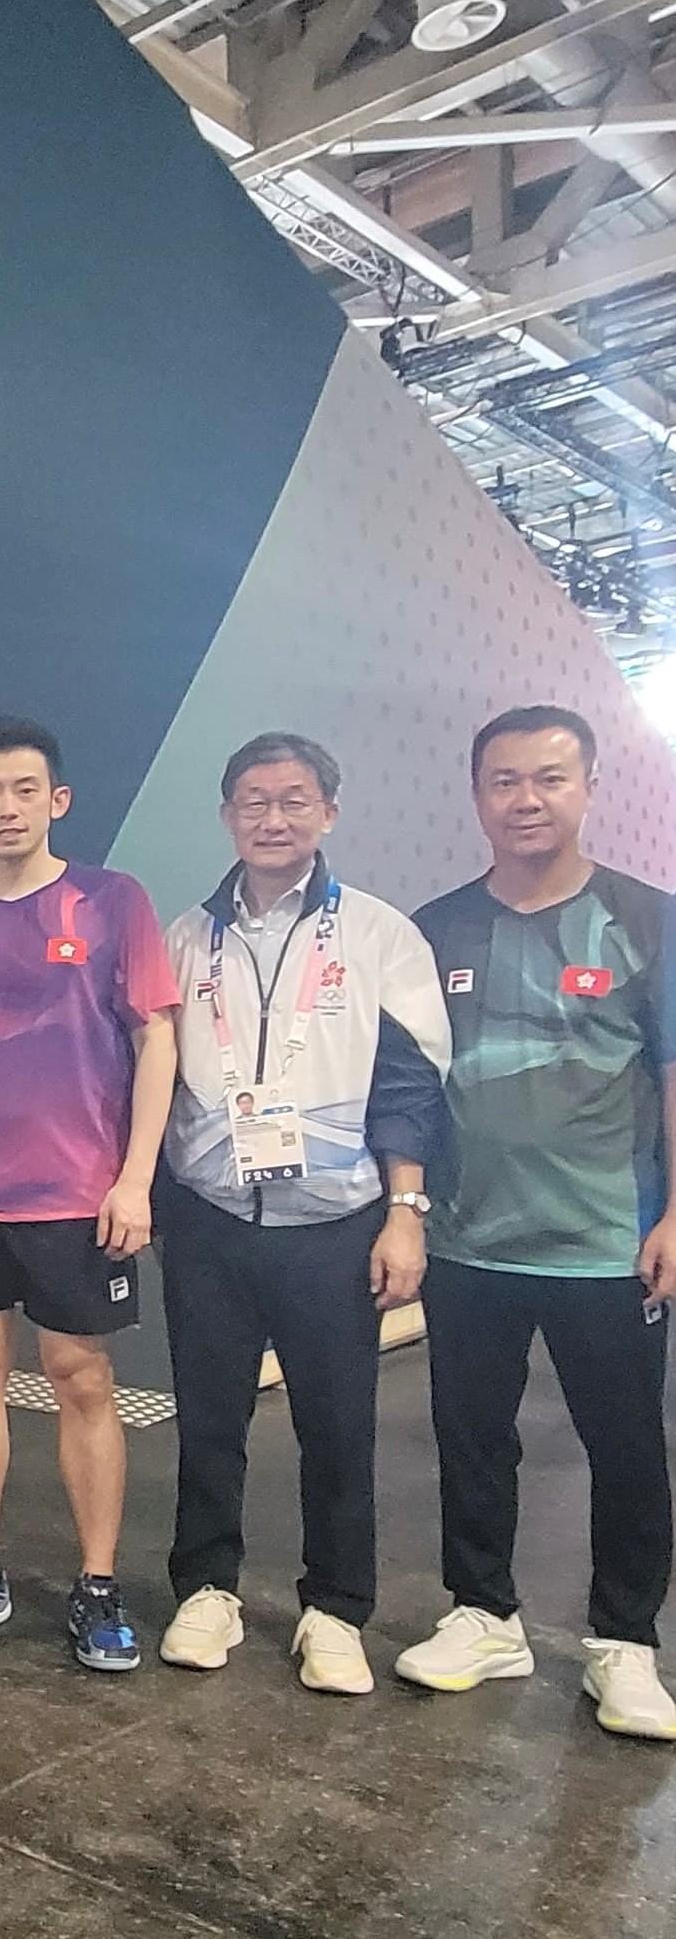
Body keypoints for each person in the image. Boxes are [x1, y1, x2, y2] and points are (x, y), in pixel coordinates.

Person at [396, 706, 676, 1742]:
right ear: (477, 797)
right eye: (505, 781)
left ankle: (625, 1643)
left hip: (610, 1241)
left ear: (588, 787)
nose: (526, 799)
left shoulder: (649, 919)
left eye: (548, 779)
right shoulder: (438, 927)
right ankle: (483, 1614)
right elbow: (412, 1086)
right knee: (472, 1439)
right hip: (470, 1240)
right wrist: (411, 1211)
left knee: (629, 1447)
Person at [157, 734, 448, 1695]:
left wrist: (404, 1213)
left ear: (327, 811)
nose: (271, 819)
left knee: (336, 1423)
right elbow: (153, 1079)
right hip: (208, 1220)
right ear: (227, 815)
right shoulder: (184, 939)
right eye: (251, 801)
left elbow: (409, 1085)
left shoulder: (377, 935)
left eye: (291, 801)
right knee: (207, 1416)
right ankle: (206, 1587)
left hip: (335, 1225)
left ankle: (335, 1610)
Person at [0, 718, 176, 1668]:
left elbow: (155, 1040)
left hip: (77, 1190)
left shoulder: (111, 902)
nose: (6, 809)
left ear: (56, 801)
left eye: (26, 791)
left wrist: (134, 1179)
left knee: (81, 1381)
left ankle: (98, 1587)